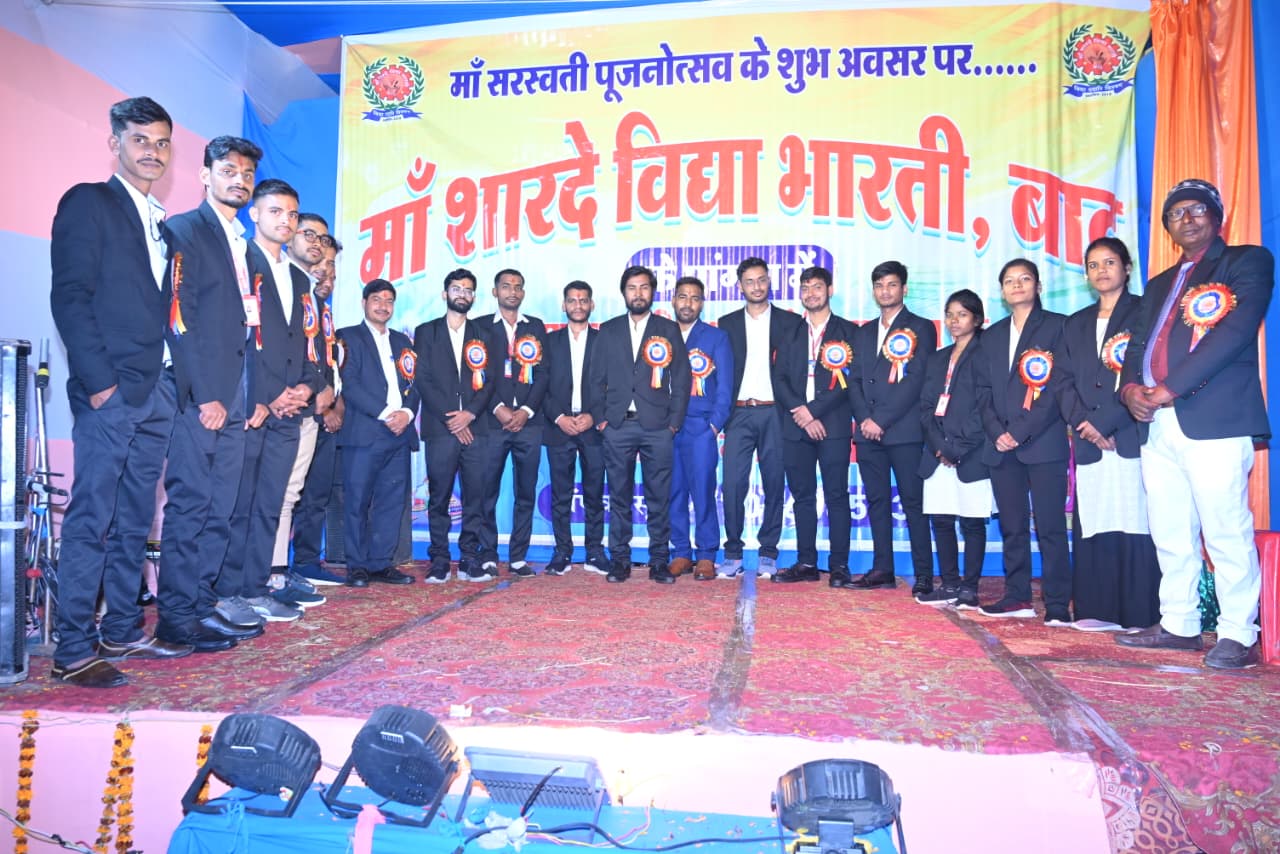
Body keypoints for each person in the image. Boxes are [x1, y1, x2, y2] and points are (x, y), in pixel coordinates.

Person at [49, 97, 192, 687]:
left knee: (136, 517)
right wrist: (100, 384)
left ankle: (123, 628)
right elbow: (70, 296)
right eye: (140, 140)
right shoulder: (90, 202)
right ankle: (72, 649)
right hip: (111, 390)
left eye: (161, 142)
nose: (152, 152)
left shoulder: (163, 224)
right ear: (115, 144)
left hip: (156, 390)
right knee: (93, 518)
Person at [1116, 179, 1274, 669]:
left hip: (1215, 420)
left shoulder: (1247, 262)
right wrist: (1130, 390)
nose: (1186, 219)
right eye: (1175, 213)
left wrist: (1168, 388)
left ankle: (1239, 633)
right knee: (1170, 530)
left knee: (1225, 530)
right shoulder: (1159, 283)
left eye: (1196, 209)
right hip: (1156, 425)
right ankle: (1180, 624)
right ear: (1167, 226)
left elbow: (1232, 334)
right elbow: (1137, 345)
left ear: (1216, 216)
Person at [156, 135, 273, 654]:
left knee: (221, 508)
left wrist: (251, 396)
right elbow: (178, 317)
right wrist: (205, 395)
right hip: (201, 398)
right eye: (228, 170)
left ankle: (203, 605)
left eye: (246, 173)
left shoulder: (243, 244)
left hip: (238, 395)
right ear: (205, 176)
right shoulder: (185, 229)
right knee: (191, 506)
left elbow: (249, 327)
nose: (239, 180)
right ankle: (176, 619)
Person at [212, 179, 322, 627]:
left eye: (292, 214)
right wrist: (268, 393)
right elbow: (236, 339)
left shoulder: (300, 279)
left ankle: (256, 588)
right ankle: (227, 592)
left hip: (290, 411)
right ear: (254, 214)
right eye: (275, 211)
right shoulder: (241, 262)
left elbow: (309, 343)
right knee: (238, 504)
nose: (285, 221)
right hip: (252, 407)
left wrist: (307, 388)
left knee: (270, 504)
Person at [1061, 237, 1159, 631]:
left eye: (1109, 262)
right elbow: (1062, 382)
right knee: (1096, 519)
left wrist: (1108, 422)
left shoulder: (1146, 312)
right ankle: (1095, 609)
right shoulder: (1075, 323)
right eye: (1093, 265)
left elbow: (1149, 372)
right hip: (1089, 440)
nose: (1101, 271)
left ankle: (1140, 613)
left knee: (1136, 521)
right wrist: (1085, 425)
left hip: (1131, 432)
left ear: (1127, 268)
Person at [971, 259, 1073, 623]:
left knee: (1050, 527)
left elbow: (1059, 387)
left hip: (1043, 443)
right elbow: (981, 391)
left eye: (1024, 279)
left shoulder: (1059, 327)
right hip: (1001, 446)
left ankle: (1057, 602)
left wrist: (1020, 431)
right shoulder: (992, 335)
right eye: (1009, 281)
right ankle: (1017, 596)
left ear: (1038, 286)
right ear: (1002, 291)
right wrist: (997, 432)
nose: (1017, 285)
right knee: (1012, 526)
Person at [591, 265, 691, 583]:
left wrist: (673, 424)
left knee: (658, 497)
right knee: (619, 497)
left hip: (657, 428)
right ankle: (620, 560)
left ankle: (659, 560)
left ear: (653, 292)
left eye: (644, 287)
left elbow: (682, 379)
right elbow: (594, 380)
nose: (638, 293)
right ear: (624, 292)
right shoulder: (608, 330)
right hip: (618, 426)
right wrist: (602, 421)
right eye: (632, 288)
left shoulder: (668, 329)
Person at [847, 261, 936, 592]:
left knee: (914, 503)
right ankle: (882, 568)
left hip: (904, 431)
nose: (885, 291)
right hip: (867, 433)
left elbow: (915, 381)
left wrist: (880, 420)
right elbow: (855, 381)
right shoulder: (863, 332)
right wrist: (865, 420)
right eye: (879, 285)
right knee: (877, 501)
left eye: (892, 284)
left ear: (904, 289)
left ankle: (924, 574)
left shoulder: (921, 328)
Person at [716, 258, 802, 579]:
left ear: (770, 282)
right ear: (740, 286)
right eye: (749, 281)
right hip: (738, 412)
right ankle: (733, 552)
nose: (756, 286)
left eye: (761, 280)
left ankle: (768, 552)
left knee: (774, 483)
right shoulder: (727, 323)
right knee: (733, 484)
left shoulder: (789, 323)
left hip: (775, 412)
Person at [773, 266, 856, 586]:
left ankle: (839, 565)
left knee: (837, 496)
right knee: (802, 496)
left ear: (830, 290)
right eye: (805, 288)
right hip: (796, 426)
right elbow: (779, 378)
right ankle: (806, 561)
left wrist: (814, 411)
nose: (811, 293)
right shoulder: (790, 332)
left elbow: (848, 381)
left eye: (817, 287)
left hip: (832, 425)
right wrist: (800, 411)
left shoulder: (849, 332)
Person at [271, 215, 340, 589]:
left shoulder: (318, 304)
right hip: (279, 404)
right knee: (274, 494)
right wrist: (312, 387)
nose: (324, 269)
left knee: (291, 493)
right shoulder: (283, 286)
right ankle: (265, 577)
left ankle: (278, 574)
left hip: (309, 408)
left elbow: (319, 355)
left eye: (331, 265)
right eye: (310, 236)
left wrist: (324, 392)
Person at [336, 279, 419, 587]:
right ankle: (357, 565)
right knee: (357, 501)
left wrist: (407, 413)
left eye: (389, 300)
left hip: (399, 433)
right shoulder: (347, 337)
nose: (383, 306)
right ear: (364, 303)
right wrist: (386, 414)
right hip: (365, 432)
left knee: (391, 501)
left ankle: (381, 563)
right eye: (377, 300)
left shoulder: (403, 341)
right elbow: (349, 383)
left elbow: (416, 383)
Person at [414, 269, 495, 582]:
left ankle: (469, 557)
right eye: (457, 288)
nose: (462, 294)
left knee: (475, 496)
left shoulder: (484, 333)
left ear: (474, 296)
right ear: (444, 293)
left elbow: (490, 381)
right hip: (441, 429)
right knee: (439, 497)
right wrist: (453, 418)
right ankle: (439, 558)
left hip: (476, 428)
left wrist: (470, 414)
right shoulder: (426, 331)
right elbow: (423, 379)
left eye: (468, 290)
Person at [916, 289, 992, 609]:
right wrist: (940, 446)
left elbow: (985, 408)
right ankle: (949, 583)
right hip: (937, 454)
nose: (954, 321)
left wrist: (956, 447)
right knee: (942, 520)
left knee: (972, 522)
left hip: (971, 453)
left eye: (962, 314)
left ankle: (969, 588)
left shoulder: (986, 354)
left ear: (977, 318)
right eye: (949, 314)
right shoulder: (938, 358)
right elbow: (926, 407)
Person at [474, 269, 549, 577]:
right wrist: (497, 408)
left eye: (518, 287)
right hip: (492, 424)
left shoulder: (536, 326)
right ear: (495, 292)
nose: (512, 292)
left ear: (523, 292)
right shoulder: (479, 326)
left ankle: (518, 556)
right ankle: (488, 553)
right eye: (506, 286)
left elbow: (544, 374)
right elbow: (475, 373)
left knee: (526, 493)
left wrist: (526, 410)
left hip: (529, 424)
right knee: (486, 491)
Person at [289, 235, 347, 586]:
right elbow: (299, 361)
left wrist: (336, 404)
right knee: (288, 495)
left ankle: (306, 562)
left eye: (332, 271)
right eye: (321, 266)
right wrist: (322, 406)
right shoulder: (297, 304)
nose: (326, 275)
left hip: (325, 417)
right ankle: (273, 571)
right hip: (301, 411)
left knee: (317, 495)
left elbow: (331, 369)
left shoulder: (325, 314)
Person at [668, 276, 734, 580]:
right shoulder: (661, 335)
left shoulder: (715, 337)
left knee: (703, 490)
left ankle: (706, 554)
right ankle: (681, 552)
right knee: (673, 491)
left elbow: (725, 386)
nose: (688, 303)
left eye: (695, 298)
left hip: (700, 426)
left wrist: (714, 425)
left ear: (702, 303)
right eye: (683, 297)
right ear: (673, 300)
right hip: (666, 427)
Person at [542, 281, 608, 576]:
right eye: (572, 300)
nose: (578, 305)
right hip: (559, 427)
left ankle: (595, 552)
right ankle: (562, 552)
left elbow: (614, 384)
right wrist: (559, 417)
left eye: (583, 300)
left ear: (592, 305)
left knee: (594, 494)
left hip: (594, 428)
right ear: (564, 305)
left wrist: (594, 415)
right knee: (561, 495)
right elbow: (540, 386)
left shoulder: (605, 340)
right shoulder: (549, 342)